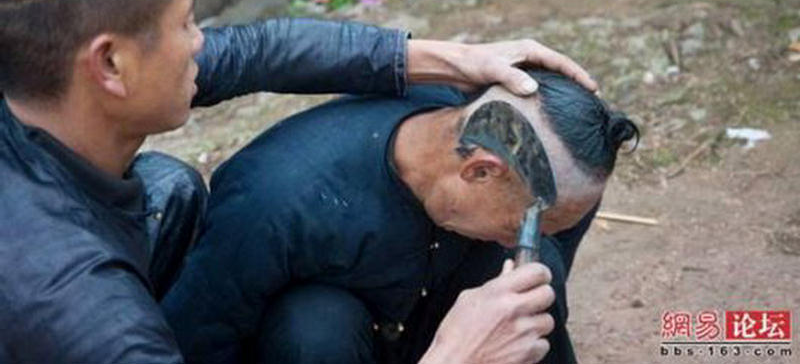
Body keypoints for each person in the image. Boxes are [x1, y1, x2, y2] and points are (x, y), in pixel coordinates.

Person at [0, 0, 598, 364]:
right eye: (185, 23)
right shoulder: (87, 313)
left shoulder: (36, 90)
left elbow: (261, 50)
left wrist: (450, 58)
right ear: (109, 65)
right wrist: (455, 355)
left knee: (170, 188)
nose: (203, 42)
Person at [162, 72, 638, 364]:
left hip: (431, 332)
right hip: (329, 349)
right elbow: (198, 347)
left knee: (532, 284)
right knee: (312, 329)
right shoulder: (273, 202)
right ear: (479, 170)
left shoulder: (533, 168)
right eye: (529, 222)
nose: (532, 236)